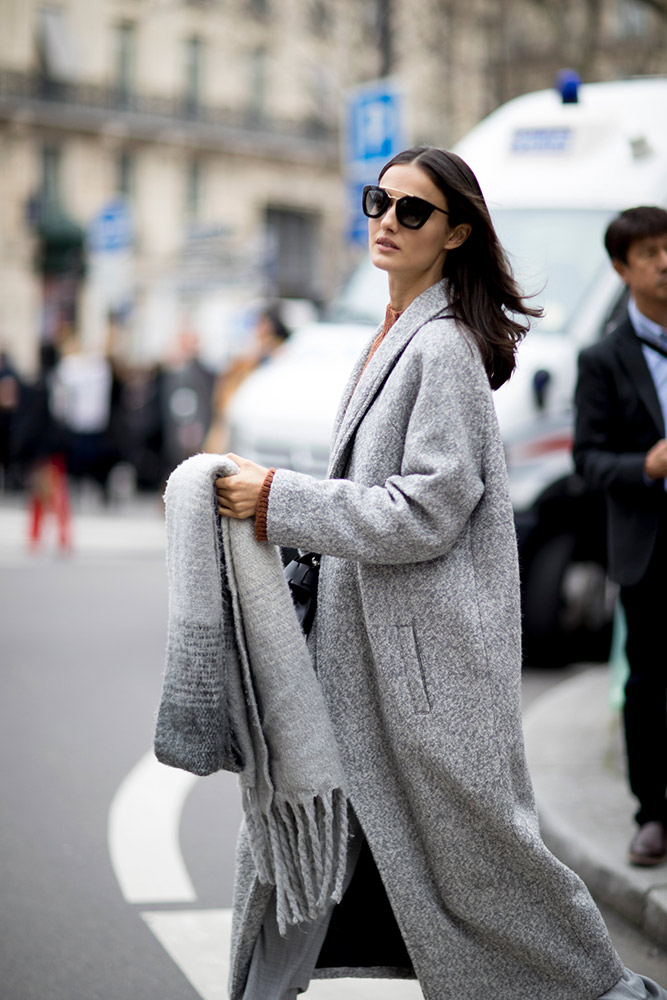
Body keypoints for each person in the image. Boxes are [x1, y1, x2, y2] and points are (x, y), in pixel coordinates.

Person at [215, 149, 665, 1000]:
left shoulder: (445, 349)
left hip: (421, 677)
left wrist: (280, 500)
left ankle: (612, 996)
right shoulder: (395, 332)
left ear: (456, 233)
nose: (385, 219)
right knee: (295, 840)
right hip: (364, 659)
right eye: (378, 200)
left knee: (489, 871)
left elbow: (426, 510)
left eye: (412, 211)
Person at [574, 206, 667, 868]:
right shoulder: (601, 358)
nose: (664, 262)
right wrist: (646, 466)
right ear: (621, 268)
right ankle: (652, 815)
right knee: (647, 682)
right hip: (649, 541)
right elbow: (587, 458)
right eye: (649, 253)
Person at [203, 307, 291, 454]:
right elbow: (224, 399)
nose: (257, 330)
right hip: (236, 427)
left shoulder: (281, 359)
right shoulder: (245, 361)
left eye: (262, 325)